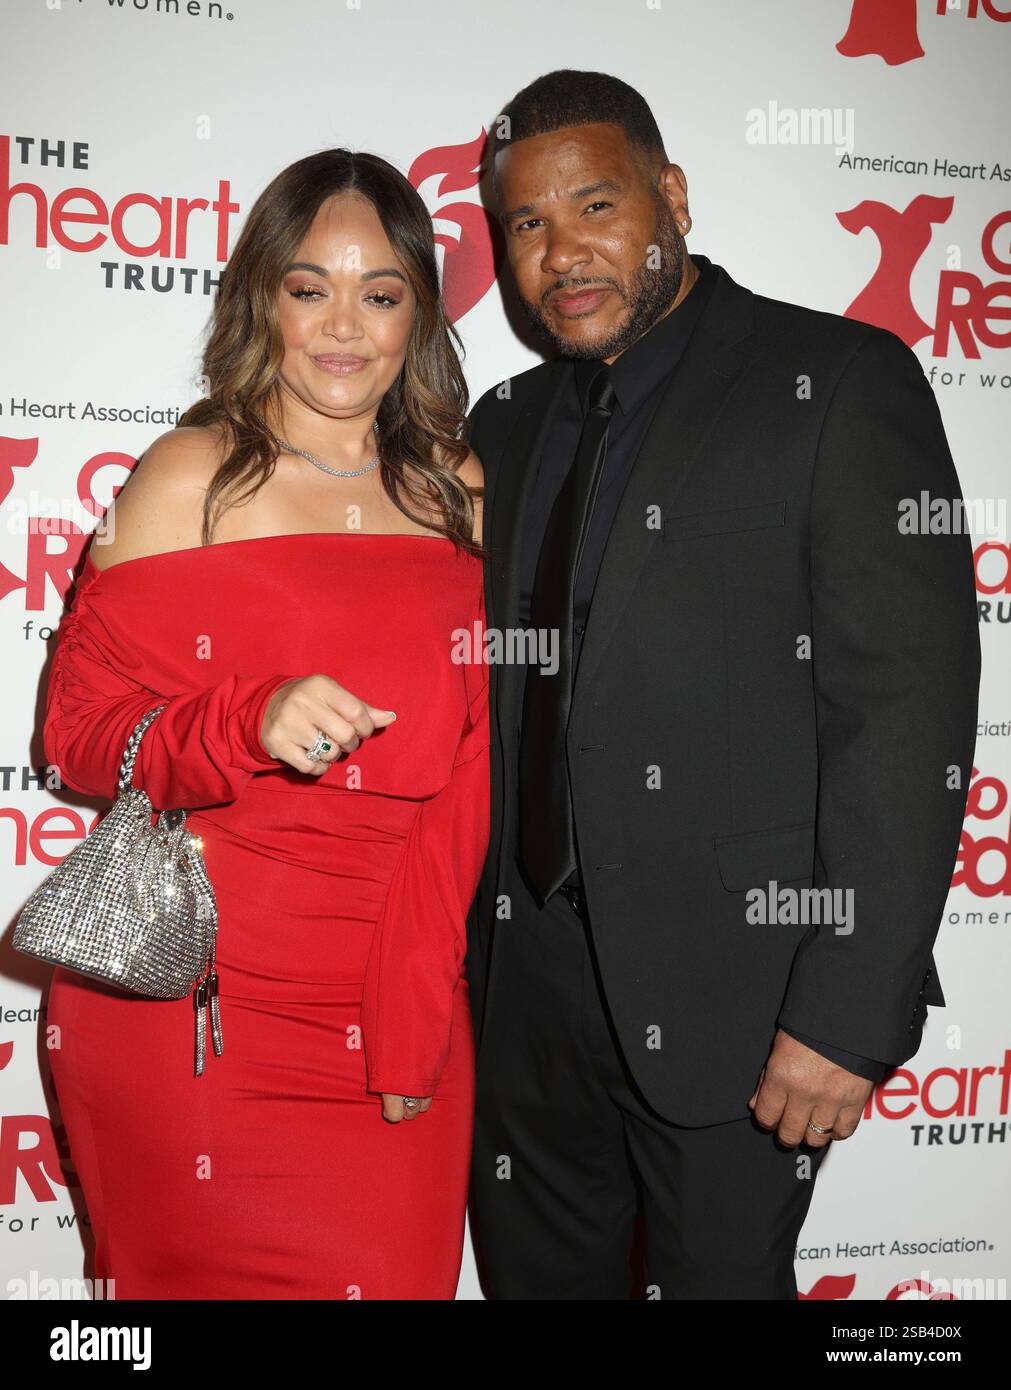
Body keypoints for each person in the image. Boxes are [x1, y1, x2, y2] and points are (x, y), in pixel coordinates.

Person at [464, 69, 980, 1300]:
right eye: (527, 225)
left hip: (742, 1005)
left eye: (595, 204)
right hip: (520, 996)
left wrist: (847, 1015)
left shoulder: (838, 380)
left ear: (673, 196)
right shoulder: (506, 420)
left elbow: (903, 714)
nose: (562, 253)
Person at [42, 148, 488, 1300]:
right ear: (263, 300)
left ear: (419, 314)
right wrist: (246, 715)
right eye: (308, 288)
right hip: (196, 1012)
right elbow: (80, 734)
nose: (344, 327)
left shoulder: (462, 491)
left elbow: (475, 779)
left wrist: (414, 1007)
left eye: (380, 293)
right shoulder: (192, 477)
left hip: (392, 987)